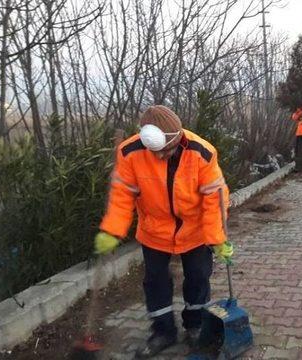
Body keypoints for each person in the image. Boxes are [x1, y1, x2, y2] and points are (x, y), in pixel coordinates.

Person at [94, 105, 234, 358]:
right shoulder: (129, 152)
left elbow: (215, 199)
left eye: (166, 151)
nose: (161, 157)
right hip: (153, 230)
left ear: (178, 139)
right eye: (155, 152)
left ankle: (195, 325)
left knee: (198, 278)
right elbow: (122, 195)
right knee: (155, 282)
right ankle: (162, 331)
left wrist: (217, 239)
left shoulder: (202, 152)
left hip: (194, 229)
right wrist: (113, 229)